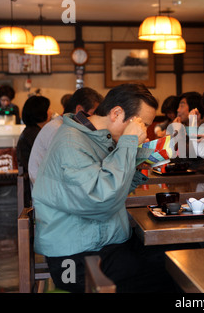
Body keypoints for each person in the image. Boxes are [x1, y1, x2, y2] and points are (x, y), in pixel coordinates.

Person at [32, 83, 179, 293]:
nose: (144, 134)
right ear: (117, 113)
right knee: (171, 273)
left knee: (175, 255)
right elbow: (100, 198)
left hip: (99, 243)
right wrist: (128, 144)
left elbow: (109, 187)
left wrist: (137, 165)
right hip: (74, 261)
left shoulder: (93, 138)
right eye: (140, 125)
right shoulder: (71, 144)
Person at [28, 87, 103, 184]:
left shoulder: (64, 126)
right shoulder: (59, 129)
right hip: (48, 189)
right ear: (79, 110)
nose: (95, 120)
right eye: (93, 114)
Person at [16, 95, 52, 172]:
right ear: (40, 112)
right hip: (32, 180)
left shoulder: (32, 131)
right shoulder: (34, 134)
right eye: (48, 109)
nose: (51, 112)